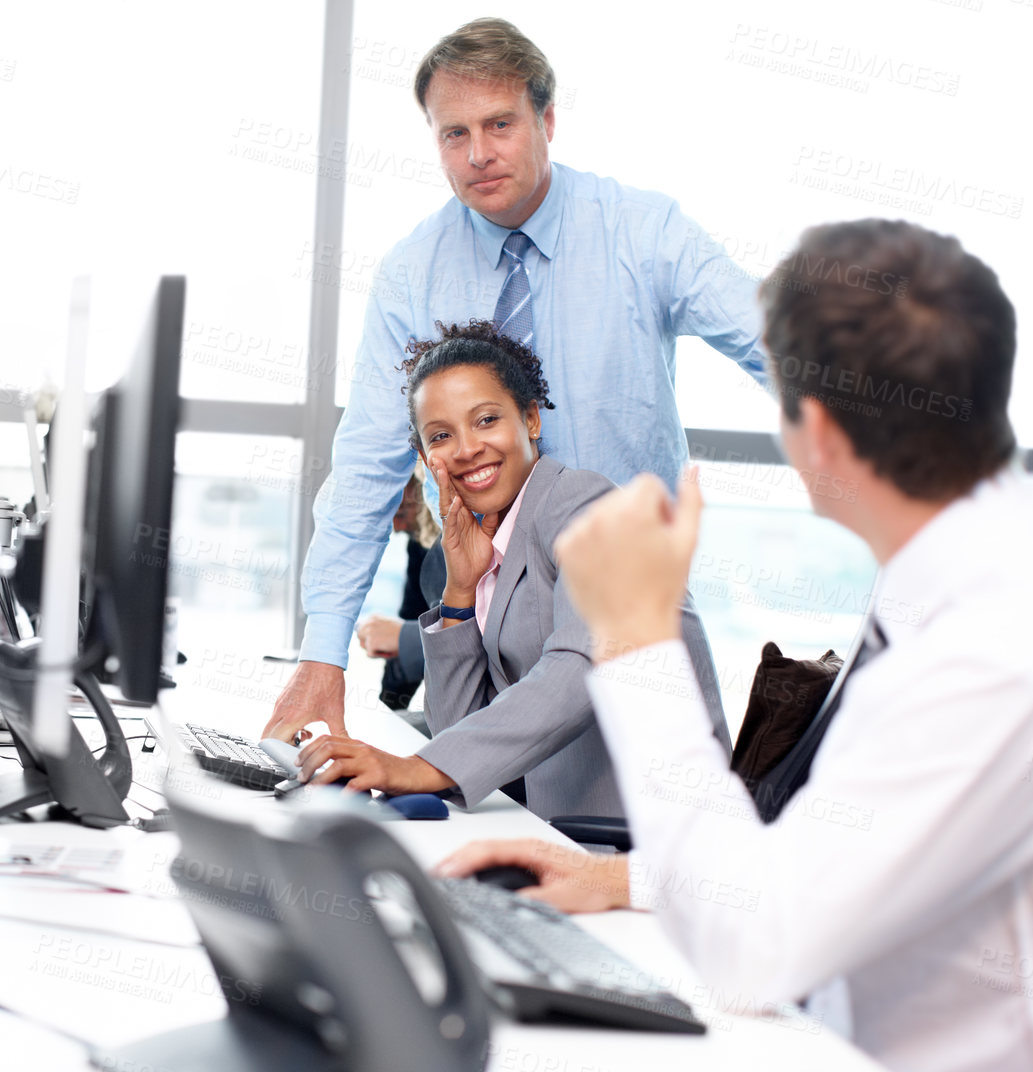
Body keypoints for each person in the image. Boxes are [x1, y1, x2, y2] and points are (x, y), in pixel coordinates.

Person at [438, 220, 1033, 1072]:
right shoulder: (990, 561)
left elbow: (753, 951)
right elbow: (869, 858)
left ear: (821, 433)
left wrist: (636, 636)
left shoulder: (1001, 643)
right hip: (863, 1070)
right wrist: (625, 877)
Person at [265, 17, 767, 744]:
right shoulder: (413, 273)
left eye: (499, 124)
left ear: (548, 118)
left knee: (633, 837)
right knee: (461, 832)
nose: (478, 154)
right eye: (453, 134)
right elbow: (366, 464)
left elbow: (773, 343)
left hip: (627, 612)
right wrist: (323, 651)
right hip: (478, 629)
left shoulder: (643, 232)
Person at [295, 321, 728, 817]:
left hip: (649, 841)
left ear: (530, 420)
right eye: (440, 435)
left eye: (485, 420)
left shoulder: (583, 505)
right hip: (556, 829)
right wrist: (460, 590)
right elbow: (456, 727)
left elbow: (581, 664)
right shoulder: (492, 540)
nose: (465, 449)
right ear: (423, 456)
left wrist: (418, 768)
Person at [355, 469, 442, 713]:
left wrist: (403, 637)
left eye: (401, 512)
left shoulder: (454, 541)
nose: (398, 526)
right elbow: (411, 616)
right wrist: (388, 711)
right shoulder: (419, 544)